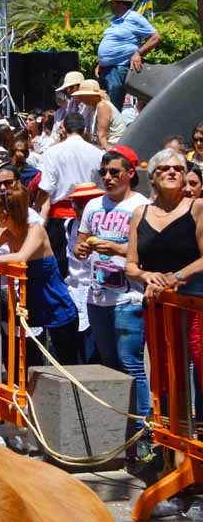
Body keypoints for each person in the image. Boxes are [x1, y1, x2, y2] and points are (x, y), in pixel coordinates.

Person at [72, 147, 151, 457]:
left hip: (128, 298)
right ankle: (119, 430)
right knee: (110, 367)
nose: (107, 178)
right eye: (103, 173)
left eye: (114, 172)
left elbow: (145, 251)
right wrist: (82, 250)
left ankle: (144, 431)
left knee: (132, 365)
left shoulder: (141, 206)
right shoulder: (93, 205)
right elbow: (82, 241)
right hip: (98, 297)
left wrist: (115, 249)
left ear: (130, 174)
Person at [0, 163, 80, 366]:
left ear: (6, 214)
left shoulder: (36, 231)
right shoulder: (6, 232)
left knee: (66, 364)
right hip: (30, 306)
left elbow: (21, 256)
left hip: (55, 306)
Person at [35, 113, 103, 279]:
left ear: (63, 129)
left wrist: (37, 209)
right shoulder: (98, 153)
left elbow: (46, 188)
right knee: (89, 267)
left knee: (61, 268)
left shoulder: (52, 152)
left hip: (61, 218)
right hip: (90, 216)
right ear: (85, 129)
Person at [127, 149, 203, 297]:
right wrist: (145, 275)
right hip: (154, 306)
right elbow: (130, 266)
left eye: (178, 169)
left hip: (193, 305)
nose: (172, 172)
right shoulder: (140, 213)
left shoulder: (198, 208)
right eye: (165, 168)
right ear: (152, 178)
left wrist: (176, 277)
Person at [96, 0, 160, 109]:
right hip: (106, 70)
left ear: (122, 4)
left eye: (113, 2)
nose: (111, 5)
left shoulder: (134, 18)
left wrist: (138, 53)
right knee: (104, 107)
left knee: (112, 109)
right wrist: (101, 63)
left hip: (118, 69)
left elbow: (155, 37)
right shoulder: (114, 21)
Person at [71, 79, 125, 149]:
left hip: (115, 147)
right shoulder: (92, 108)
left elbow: (102, 136)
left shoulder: (102, 106)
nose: (81, 98)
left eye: (83, 95)